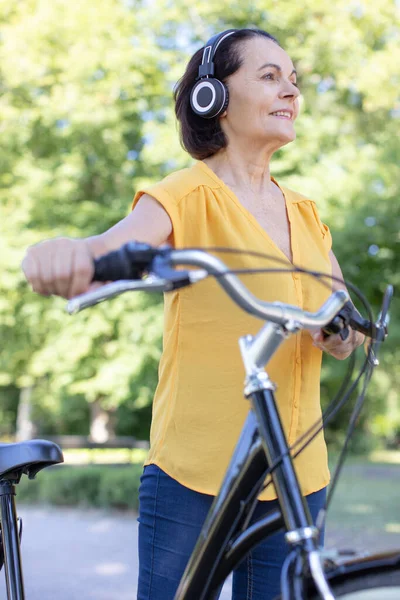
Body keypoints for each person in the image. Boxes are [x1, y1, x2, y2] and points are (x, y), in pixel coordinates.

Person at [22, 28, 364, 600]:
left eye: (294, 80)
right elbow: (114, 246)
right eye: (270, 76)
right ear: (215, 97)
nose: (291, 92)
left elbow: (342, 325)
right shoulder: (184, 195)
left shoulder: (307, 214)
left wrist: (341, 334)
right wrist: (68, 254)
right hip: (192, 471)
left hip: (295, 468)